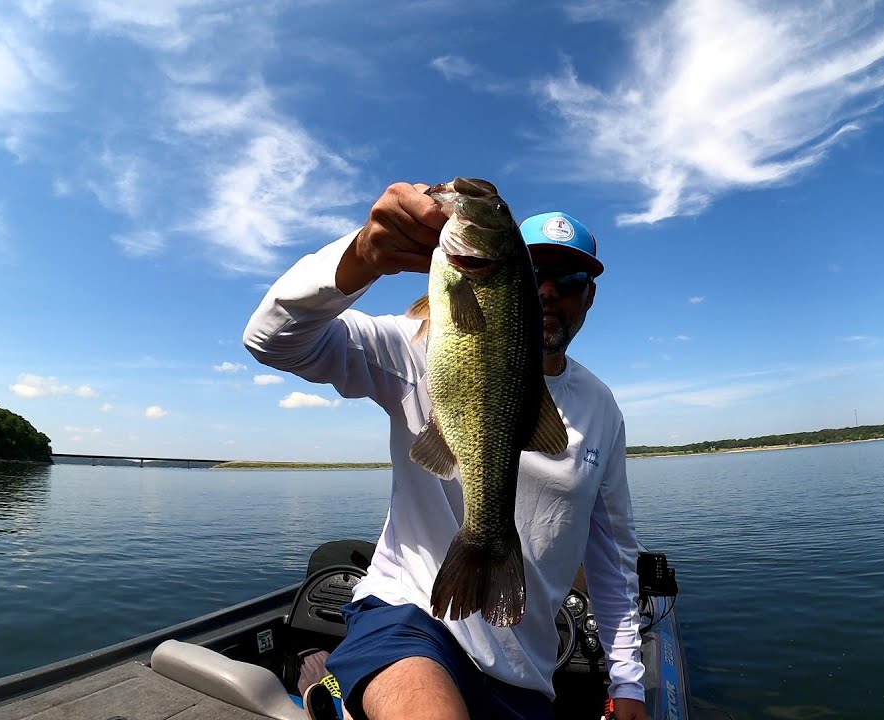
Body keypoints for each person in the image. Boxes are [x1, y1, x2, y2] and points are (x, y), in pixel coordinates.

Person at [243, 182, 648, 720]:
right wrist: (362, 254)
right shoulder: (417, 345)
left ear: (589, 298)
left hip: (526, 670)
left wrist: (628, 681)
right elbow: (271, 338)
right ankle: (346, 685)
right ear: (516, 283)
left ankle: (332, 694)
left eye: (569, 280)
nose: (549, 291)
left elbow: (612, 555)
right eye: (536, 274)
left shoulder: (601, 408)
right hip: (408, 617)